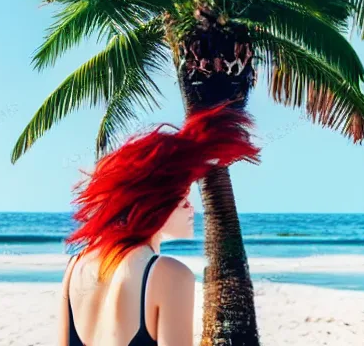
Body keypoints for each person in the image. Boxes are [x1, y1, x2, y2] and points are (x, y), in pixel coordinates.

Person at [58, 101, 261, 345]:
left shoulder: (75, 268)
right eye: (184, 199)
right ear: (157, 203)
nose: (191, 209)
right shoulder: (168, 274)